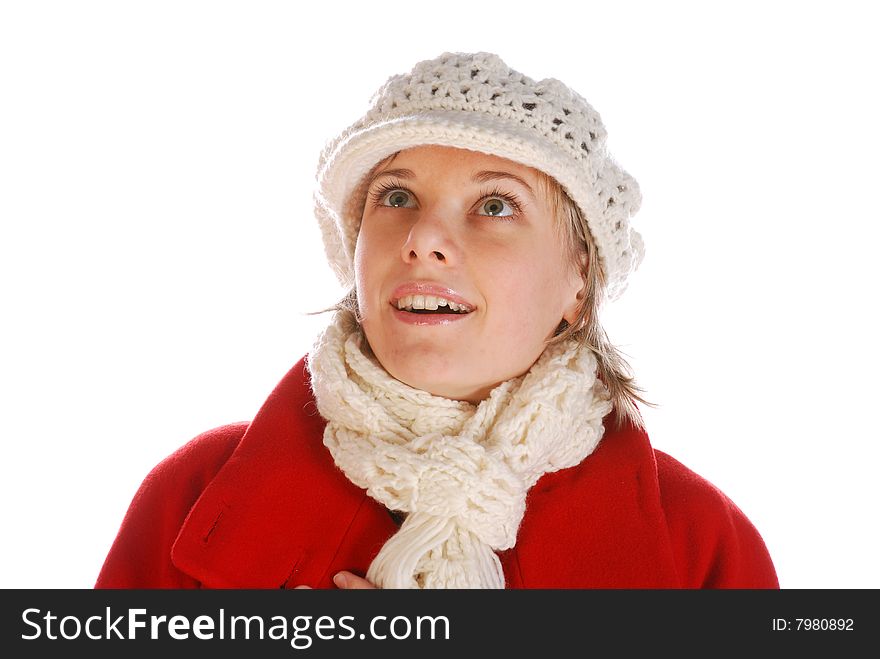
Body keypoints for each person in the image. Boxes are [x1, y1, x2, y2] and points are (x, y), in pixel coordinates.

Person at [95, 51, 778, 589]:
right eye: (396, 196)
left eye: (496, 206)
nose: (423, 237)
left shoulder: (701, 544)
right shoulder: (189, 495)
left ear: (579, 282)